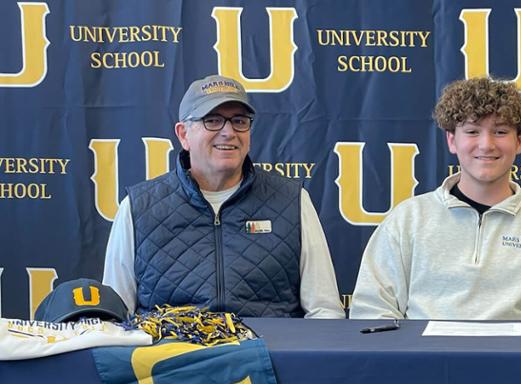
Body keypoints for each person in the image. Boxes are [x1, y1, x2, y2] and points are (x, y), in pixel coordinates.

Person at [103, 75, 344, 318]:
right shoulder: (138, 208)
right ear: (183, 134)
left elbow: (324, 311)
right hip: (171, 344)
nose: (228, 132)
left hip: (270, 344)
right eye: (213, 121)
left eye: (239, 121)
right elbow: (114, 317)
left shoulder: (293, 201)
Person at [350, 77, 521, 320]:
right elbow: (372, 311)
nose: (486, 145)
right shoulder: (407, 219)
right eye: (472, 131)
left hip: (517, 347)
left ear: (519, 141)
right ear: (452, 140)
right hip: (422, 346)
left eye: (500, 132)